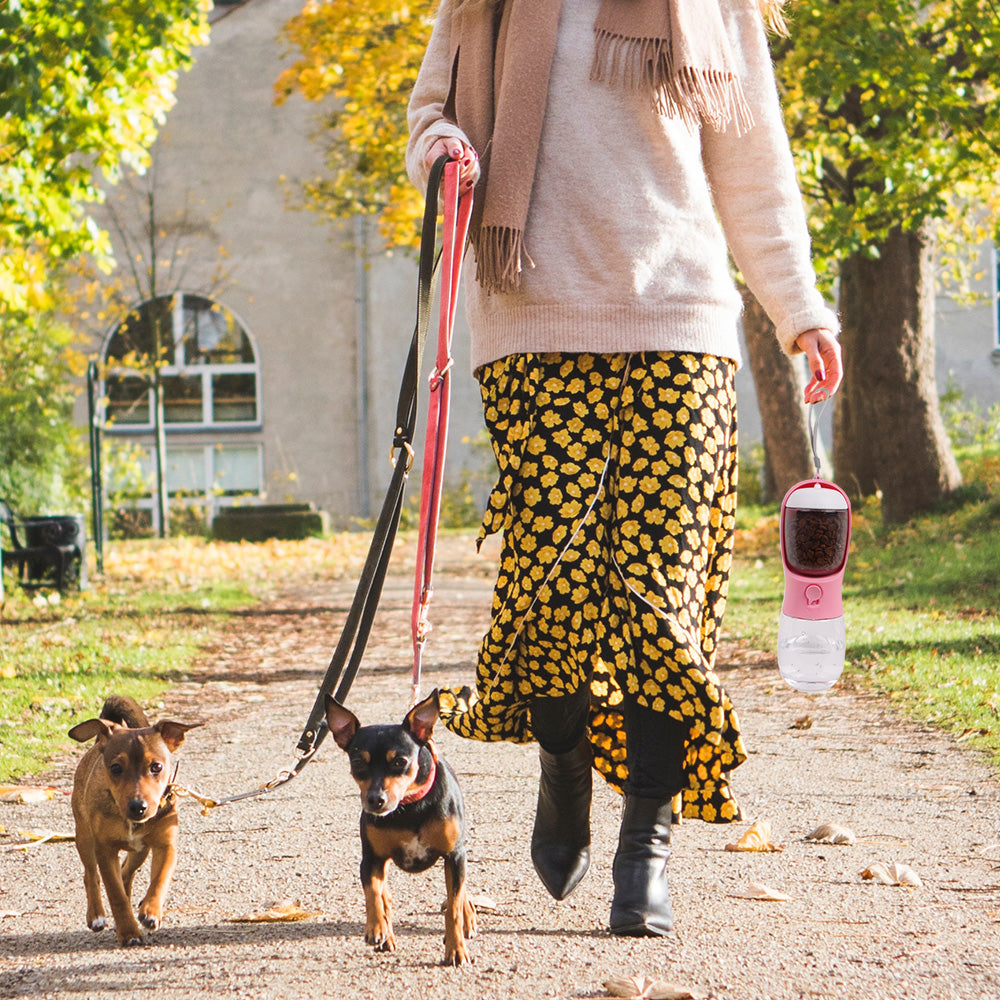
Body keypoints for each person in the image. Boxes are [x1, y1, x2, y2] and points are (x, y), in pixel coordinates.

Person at [406, 0, 842, 937]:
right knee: (552, 587)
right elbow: (428, 117)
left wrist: (798, 307)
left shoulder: (714, 7)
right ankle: (563, 761)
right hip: (532, 320)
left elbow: (754, 164)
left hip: (680, 325)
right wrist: (444, 150)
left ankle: (646, 839)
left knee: (660, 594)